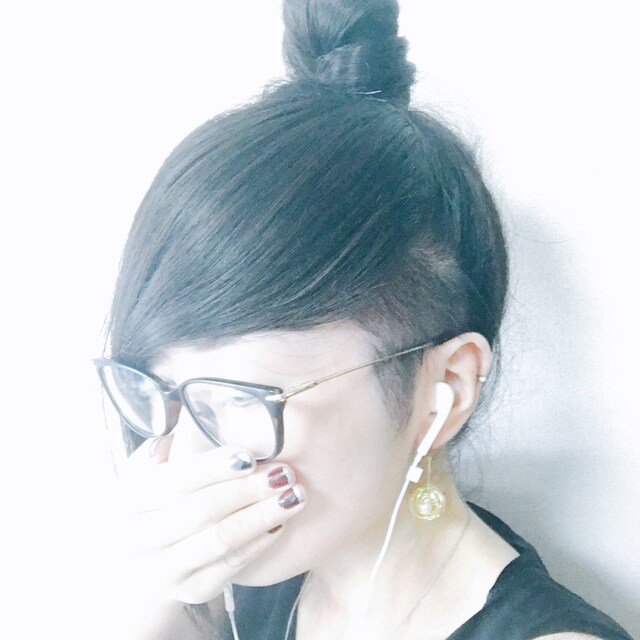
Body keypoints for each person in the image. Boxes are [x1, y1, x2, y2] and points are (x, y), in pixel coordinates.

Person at [95, 1, 633, 638]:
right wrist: (151, 604)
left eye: (241, 399)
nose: (182, 459)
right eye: (157, 389)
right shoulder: (243, 587)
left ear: (446, 389)